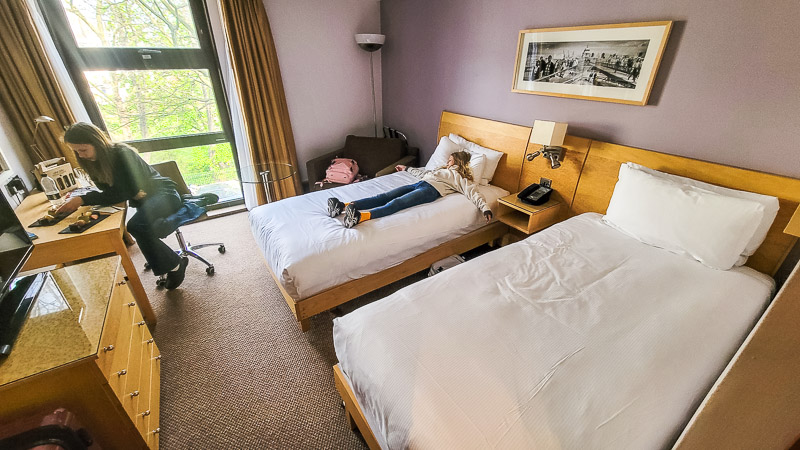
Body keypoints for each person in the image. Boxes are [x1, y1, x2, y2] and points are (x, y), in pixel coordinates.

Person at [57, 122, 189, 289]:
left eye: (83, 150)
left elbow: (125, 191)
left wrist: (83, 199)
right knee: (138, 227)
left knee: (136, 226)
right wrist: (103, 196)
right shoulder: (93, 161)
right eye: (76, 151)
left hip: (164, 194)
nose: (80, 155)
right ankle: (165, 261)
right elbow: (112, 191)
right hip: (145, 198)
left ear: (97, 142)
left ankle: (176, 264)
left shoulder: (121, 154)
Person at [327, 151, 493, 228]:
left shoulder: (459, 177)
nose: (448, 162)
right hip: (421, 183)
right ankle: (343, 206)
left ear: (458, 162)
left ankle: (361, 217)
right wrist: (406, 169)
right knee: (384, 196)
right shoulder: (439, 170)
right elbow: (423, 172)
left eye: (450, 160)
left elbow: (473, 192)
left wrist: (485, 208)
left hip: (430, 191)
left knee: (397, 203)